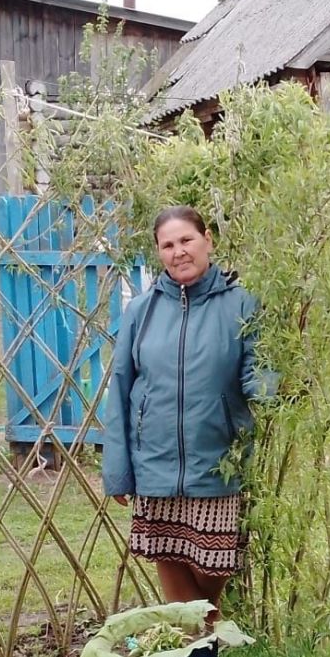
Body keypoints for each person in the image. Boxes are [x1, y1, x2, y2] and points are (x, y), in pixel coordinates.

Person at [102, 205, 277, 620]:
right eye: (168, 244)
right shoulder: (140, 312)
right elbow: (122, 390)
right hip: (155, 472)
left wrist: (280, 391)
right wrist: (118, 471)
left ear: (207, 240)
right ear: (158, 253)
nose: (178, 251)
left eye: (186, 240)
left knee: (206, 596)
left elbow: (258, 375)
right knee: (188, 608)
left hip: (216, 469)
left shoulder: (242, 305)